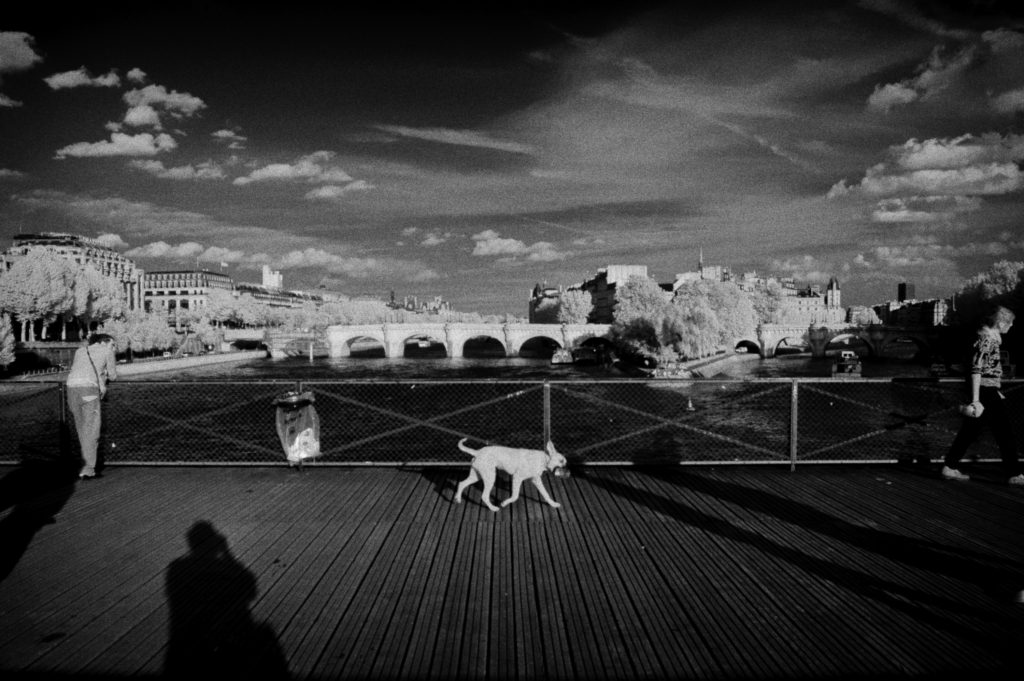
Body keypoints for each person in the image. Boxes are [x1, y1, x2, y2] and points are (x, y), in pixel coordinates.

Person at [942, 305, 1024, 485]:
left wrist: (995, 390)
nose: (1011, 327)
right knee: (1005, 433)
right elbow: (976, 369)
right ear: (1001, 323)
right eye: (1010, 323)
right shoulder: (989, 341)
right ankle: (1014, 474)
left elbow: (983, 369)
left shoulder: (984, 338)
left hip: (989, 390)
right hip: (985, 392)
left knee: (970, 431)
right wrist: (976, 399)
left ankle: (950, 466)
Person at [65, 333, 117, 480]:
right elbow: (113, 376)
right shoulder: (107, 351)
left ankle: (83, 464)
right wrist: (104, 375)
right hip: (89, 392)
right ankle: (88, 469)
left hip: (71, 391)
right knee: (92, 429)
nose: (114, 348)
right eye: (112, 344)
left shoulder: (80, 351)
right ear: (104, 342)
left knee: (81, 429)